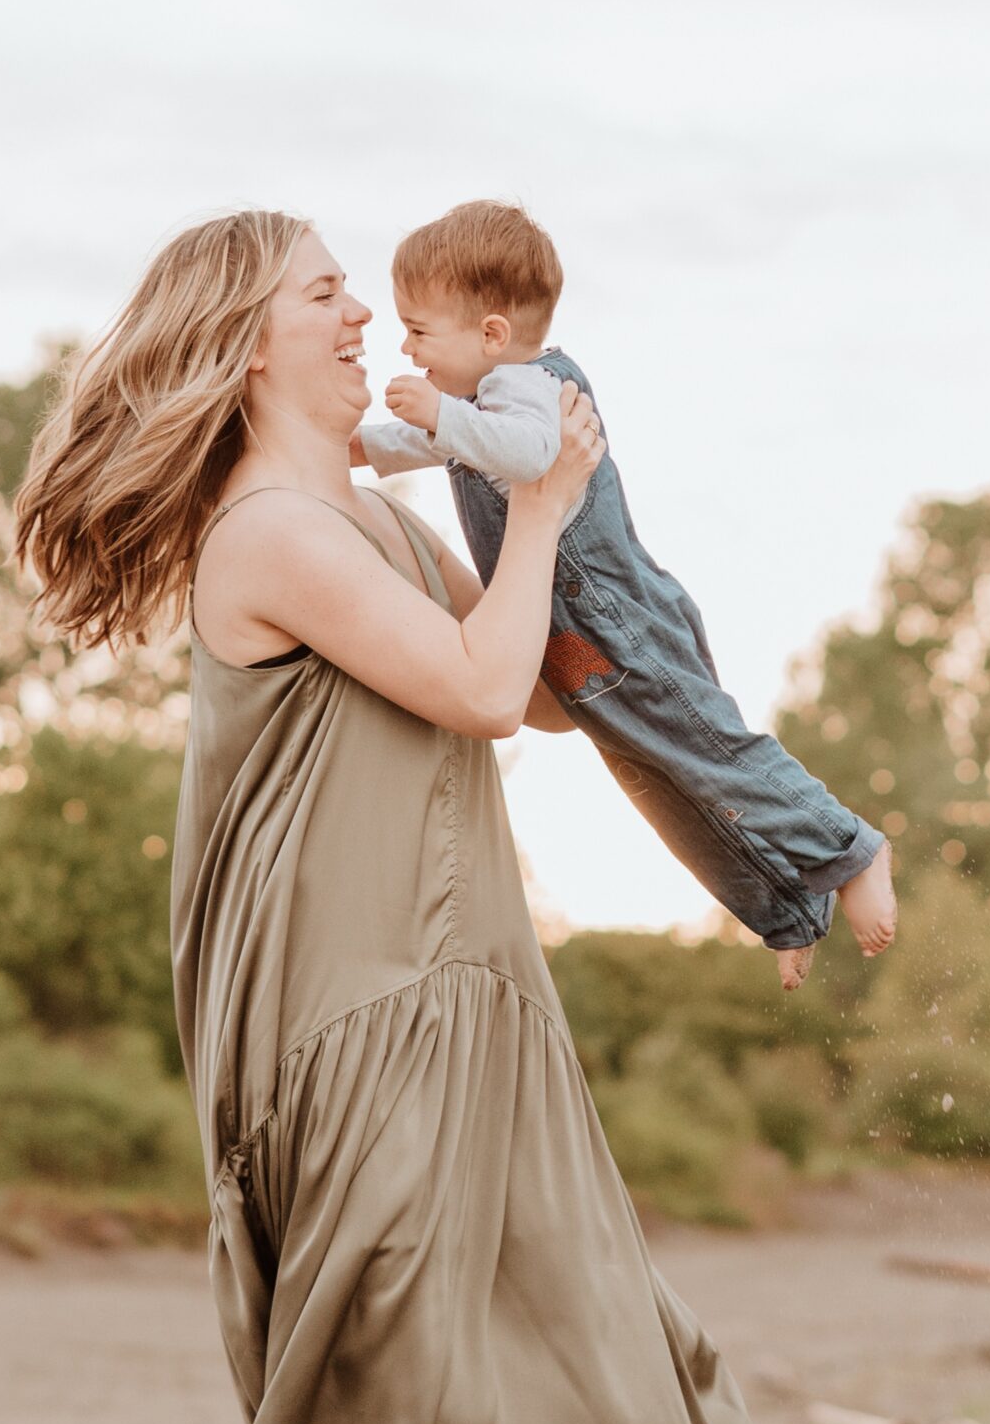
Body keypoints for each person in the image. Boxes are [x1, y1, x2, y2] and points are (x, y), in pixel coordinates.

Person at [15, 210, 763, 1424]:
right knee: (368, 1361)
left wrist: (535, 510)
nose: (363, 307)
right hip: (349, 1004)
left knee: (540, 1331)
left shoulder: (362, 512)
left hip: (466, 980)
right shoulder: (272, 530)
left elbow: (545, 683)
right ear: (245, 339)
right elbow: (484, 693)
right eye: (324, 290)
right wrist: (543, 507)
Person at [356, 199, 898, 990]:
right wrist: (345, 445)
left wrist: (437, 411)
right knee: (662, 785)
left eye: (418, 329)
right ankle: (784, 910)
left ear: (492, 335)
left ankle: (850, 846)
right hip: (572, 643)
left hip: (621, 619)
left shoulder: (532, 390)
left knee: (711, 752)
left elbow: (532, 452)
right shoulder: (476, 408)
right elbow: (421, 443)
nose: (404, 346)